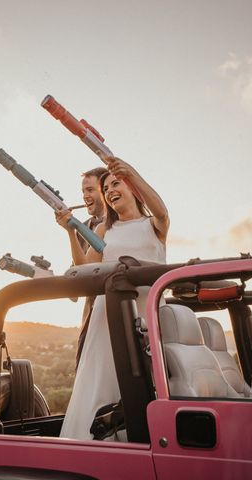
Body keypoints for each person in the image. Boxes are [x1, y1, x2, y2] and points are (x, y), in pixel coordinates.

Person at [56, 157, 169, 440]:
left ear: (133, 188)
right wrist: (70, 232)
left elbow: (162, 209)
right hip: (108, 319)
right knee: (102, 383)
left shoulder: (154, 224)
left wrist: (131, 172)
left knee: (154, 383)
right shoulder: (104, 231)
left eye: (116, 183)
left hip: (150, 315)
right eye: (106, 187)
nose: (109, 190)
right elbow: (84, 271)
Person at [75, 167, 107, 368]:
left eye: (90, 190)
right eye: (83, 192)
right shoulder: (82, 227)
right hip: (91, 313)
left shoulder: (123, 223)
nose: (86, 195)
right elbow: (78, 270)